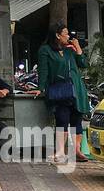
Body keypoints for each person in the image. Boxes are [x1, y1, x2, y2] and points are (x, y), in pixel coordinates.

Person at [37, 24, 90, 164]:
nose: (68, 36)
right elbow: (43, 71)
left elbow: (83, 64)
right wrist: (41, 87)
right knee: (62, 118)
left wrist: (77, 47)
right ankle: (60, 151)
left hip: (76, 89)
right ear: (57, 35)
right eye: (66, 34)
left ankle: (77, 150)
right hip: (60, 90)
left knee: (77, 119)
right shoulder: (46, 50)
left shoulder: (69, 51)